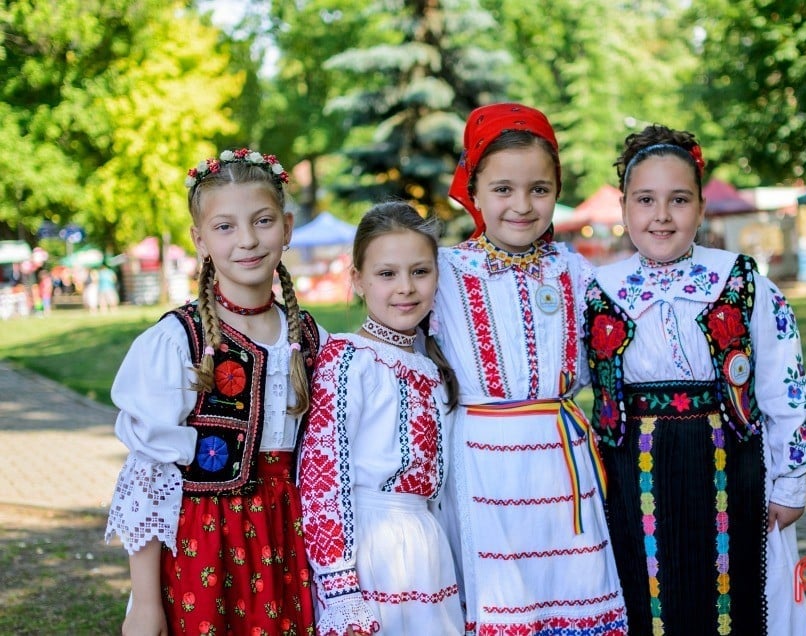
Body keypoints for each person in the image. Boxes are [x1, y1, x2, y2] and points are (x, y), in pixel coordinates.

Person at [583, 124, 806, 635]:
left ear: (702, 208)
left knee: (737, 599)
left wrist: (791, 478)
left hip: (732, 467)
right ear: (624, 207)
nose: (661, 215)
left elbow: (785, 385)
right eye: (645, 200)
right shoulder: (598, 288)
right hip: (634, 473)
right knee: (649, 597)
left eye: (679, 200)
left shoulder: (741, 280)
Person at [104, 148, 327, 635]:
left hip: (292, 539)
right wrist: (145, 603)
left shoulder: (310, 337)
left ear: (287, 228)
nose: (247, 240)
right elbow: (149, 478)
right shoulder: (176, 342)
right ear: (199, 240)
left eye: (263, 221)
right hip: (205, 545)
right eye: (225, 226)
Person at [433, 103, 628, 634]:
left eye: (540, 190)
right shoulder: (443, 272)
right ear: (473, 191)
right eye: (503, 190)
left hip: (563, 464)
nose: (522, 205)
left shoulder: (574, 269)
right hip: (482, 465)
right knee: (502, 600)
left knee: (572, 593)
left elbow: (615, 348)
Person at [298, 201, 465, 635]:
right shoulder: (349, 359)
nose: (405, 287)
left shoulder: (431, 363)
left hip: (427, 545)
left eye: (420, 271)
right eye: (387, 274)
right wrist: (340, 586)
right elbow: (322, 477)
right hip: (372, 547)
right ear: (357, 279)